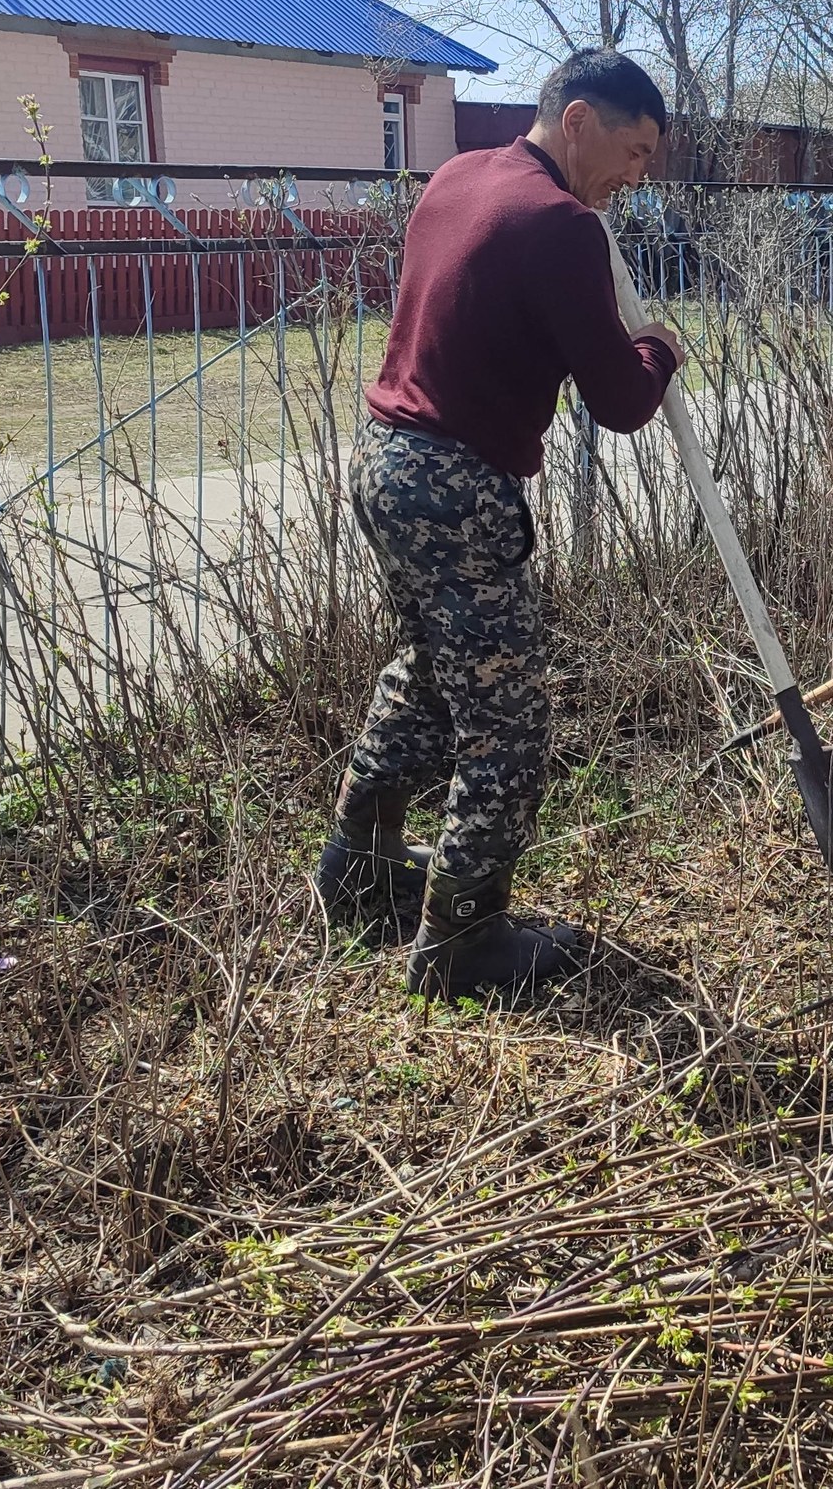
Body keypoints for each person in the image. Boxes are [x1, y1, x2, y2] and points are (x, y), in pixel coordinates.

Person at [319, 50, 685, 999]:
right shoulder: (560, 224)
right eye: (633, 150)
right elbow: (620, 401)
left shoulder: (456, 176)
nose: (636, 176)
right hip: (457, 486)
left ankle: (357, 870)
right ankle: (463, 939)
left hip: (384, 463)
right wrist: (657, 351)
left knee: (431, 671)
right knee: (508, 722)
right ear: (576, 121)